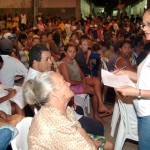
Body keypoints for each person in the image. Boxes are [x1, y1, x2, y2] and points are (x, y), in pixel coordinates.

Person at [26, 44, 104, 136]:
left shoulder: (40, 73)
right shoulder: (36, 81)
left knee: (79, 109)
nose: (50, 62)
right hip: (60, 120)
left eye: (50, 58)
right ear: (35, 62)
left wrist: (54, 65)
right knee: (98, 127)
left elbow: (60, 79)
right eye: (47, 59)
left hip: (62, 112)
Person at [23, 72, 113, 150]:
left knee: (109, 145)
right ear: (54, 94)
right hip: (64, 142)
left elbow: (77, 127)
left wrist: (90, 140)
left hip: (66, 141)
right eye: (64, 82)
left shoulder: (63, 107)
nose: (69, 83)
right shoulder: (56, 124)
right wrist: (91, 145)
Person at [115, 8, 150, 149]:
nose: (145, 28)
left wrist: (135, 92)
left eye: (149, 24)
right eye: (143, 24)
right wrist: (127, 74)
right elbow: (145, 78)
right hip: (144, 112)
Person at [59, 44, 112, 123]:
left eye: (74, 51)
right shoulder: (63, 64)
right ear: (65, 53)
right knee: (94, 91)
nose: (73, 53)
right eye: (70, 51)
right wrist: (82, 82)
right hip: (71, 86)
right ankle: (96, 115)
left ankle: (101, 105)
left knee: (96, 80)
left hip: (79, 81)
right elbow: (69, 82)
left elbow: (81, 73)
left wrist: (84, 80)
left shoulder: (73, 60)